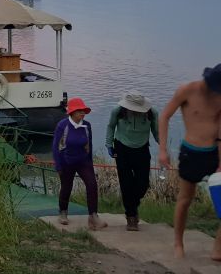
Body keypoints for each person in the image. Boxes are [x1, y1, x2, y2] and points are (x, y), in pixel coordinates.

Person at [158, 64, 221, 259]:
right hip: (191, 152)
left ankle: (217, 248)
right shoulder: (187, 90)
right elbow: (164, 116)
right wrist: (162, 151)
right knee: (185, 199)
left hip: (213, 151)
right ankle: (178, 242)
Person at [105, 91, 160, 231]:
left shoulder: (151, 113)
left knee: (143, 184)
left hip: (142, 149)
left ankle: (132, 206)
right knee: (126, 183)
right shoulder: (118, 111)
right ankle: (131, 217)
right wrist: (109, 144)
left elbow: (157, 131)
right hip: (122, 148)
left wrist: (163, 146)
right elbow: (111, 126)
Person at [53, 97, 106, 230]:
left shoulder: (87, 126)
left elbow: (90, 145)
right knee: (66, 186)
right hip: (67, 161)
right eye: (79, 111)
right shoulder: (62, 125)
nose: (82, 113)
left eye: (83, 111)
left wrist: (90, 163)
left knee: (92, 184)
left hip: (83, 161)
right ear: (72, 112)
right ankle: (63, 212)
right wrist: (58, 165)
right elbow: (55, 147)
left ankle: (93, 216)